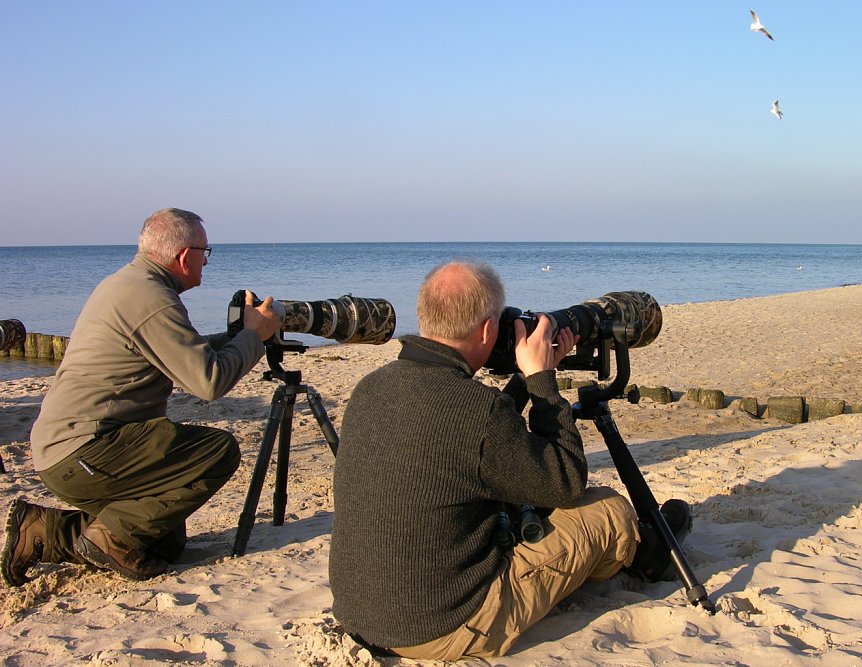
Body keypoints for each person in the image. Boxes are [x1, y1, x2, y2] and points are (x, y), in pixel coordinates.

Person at [329, 261, 692, 660]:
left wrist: (524, 375)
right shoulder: (475, 411)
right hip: (440, 627)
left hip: (359, 613)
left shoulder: (371, 387)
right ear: (488, 330)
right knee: (608, 510)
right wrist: (541, 381)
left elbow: (473, 445)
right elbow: (566, 481)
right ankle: (647, 556)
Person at [1, 208, 282, 586]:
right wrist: (254, 336)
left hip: (70, 450)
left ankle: (43, 530)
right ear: (185, 256)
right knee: (218, 450)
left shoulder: (133, 284)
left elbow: (186, 355)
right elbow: (209, 381)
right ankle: (109, 538)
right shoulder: (150, 297)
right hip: (86, 450)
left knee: (164, 544)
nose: (206, 260)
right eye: (205, 251)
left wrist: (239, 337)